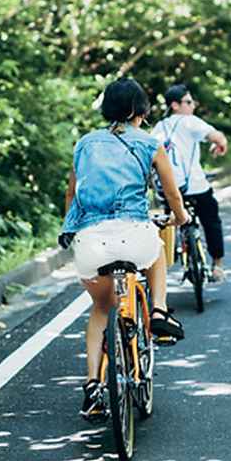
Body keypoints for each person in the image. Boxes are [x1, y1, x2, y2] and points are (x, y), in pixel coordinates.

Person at [61, 77, 191, 422]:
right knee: (157, 256)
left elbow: (72, 195)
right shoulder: (149, 144)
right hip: (134, 235)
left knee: (102, 309)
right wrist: (181, 218)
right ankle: (160, 311)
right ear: (137, 111)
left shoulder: (85, 144)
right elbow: (172, 194)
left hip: (91, 241)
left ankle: (91, 386)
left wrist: (69, 230)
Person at [151, 85, 230, 282]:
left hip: (168, 191)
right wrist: (220, 146)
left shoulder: (158, 128)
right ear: (175, 105)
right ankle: (218, 265)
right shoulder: (190, 122)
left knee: (169, 222)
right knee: (211, 219)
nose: (192, 106)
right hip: (195, 187)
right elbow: (218, 137)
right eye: (188, 102)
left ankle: (172, 255)